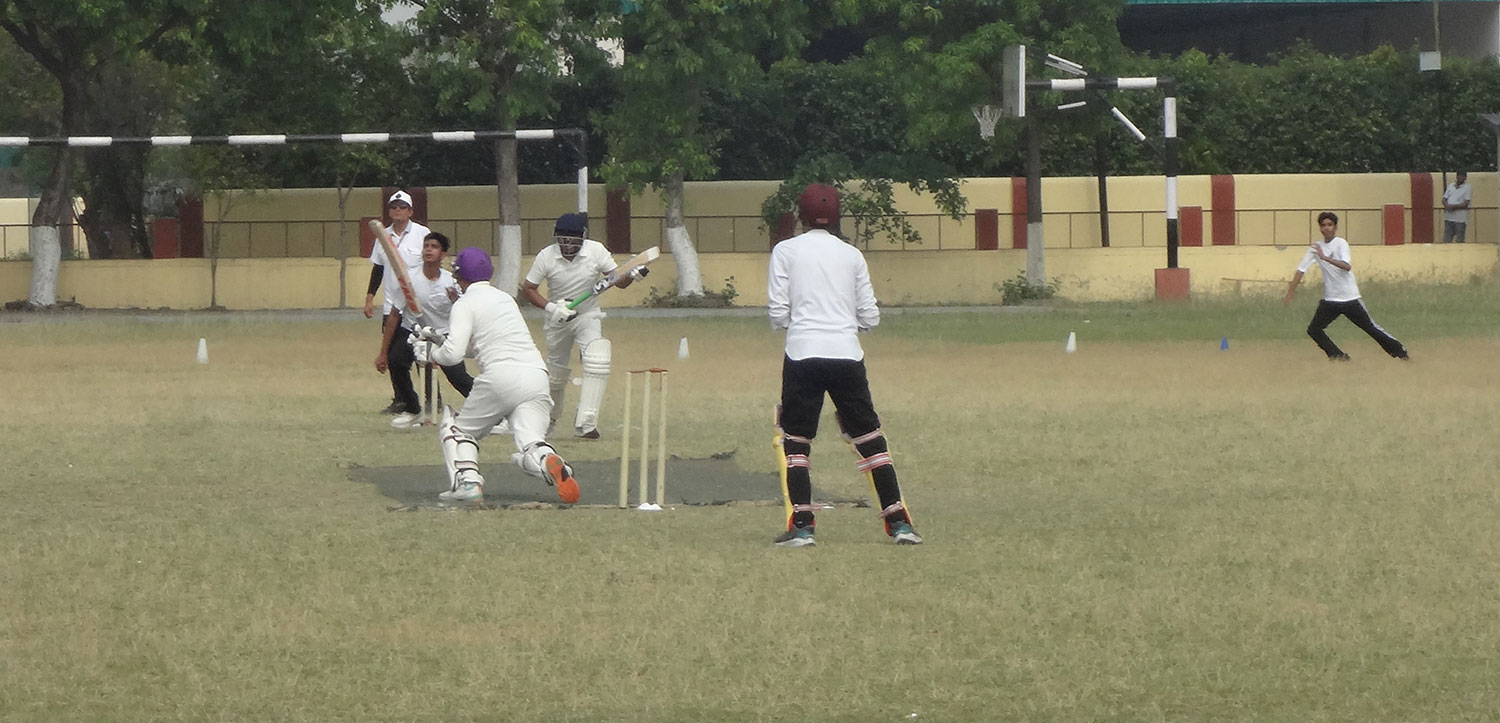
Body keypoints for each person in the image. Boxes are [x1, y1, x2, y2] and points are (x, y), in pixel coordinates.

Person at [766, 183, 922, 547]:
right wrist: (845, 325)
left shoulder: (785, 250)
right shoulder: (851, 255)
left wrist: (804, 324)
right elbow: (869, 315)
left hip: (803, 353)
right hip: (847, 354)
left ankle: (802, 526)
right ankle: (899, 524)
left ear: (800, 216)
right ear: (838, 216)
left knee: (797, 441)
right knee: (870, 439)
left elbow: (777, 312)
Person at [417, 247, 581, 504]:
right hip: (536, 376)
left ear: (459, 277)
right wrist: (441, 341)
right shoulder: (505, 299)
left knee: (458, 430)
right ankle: (548, 460)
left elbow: (452, 356)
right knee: (530, 442)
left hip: (501, 377)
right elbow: (482, 345)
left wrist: (431, 353)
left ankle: (468, 483)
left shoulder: (465, 303)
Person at [519, 212, 645, 439]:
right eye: (563, 238)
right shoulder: (546, 256)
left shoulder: (595, 250)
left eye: (572, 238)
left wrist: (632, 274)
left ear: (583, 237)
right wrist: (552, 308)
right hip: (558, 317)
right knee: (556, 372)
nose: (567, 243)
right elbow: (528, 288)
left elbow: (617, 281)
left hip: (587, 314)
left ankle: (587, 422)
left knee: (597, 359)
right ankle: (548, 420)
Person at [376, 231, 476, 429]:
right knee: (397, 361)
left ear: (443, 254)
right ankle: (412, 409)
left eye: (434, 247)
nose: (429, 250)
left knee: (458, 377)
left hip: (442, 334)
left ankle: (491, 409)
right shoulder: (408, 279)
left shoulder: (452, 282)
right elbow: (395, 314)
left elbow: (466, 312)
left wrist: (456, 301)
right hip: (414, 331)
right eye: (426, 246)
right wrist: (383, 352)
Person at [1283, 211, 1409, 362]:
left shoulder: (1341, 243)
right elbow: (1301, 270)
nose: (1326, 228)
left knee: (1370, 328)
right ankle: (1338, 356)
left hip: (1350, 297)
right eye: (1323, 225)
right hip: (1331, 300)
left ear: (1335, 227)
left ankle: (1400, 352)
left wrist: (1325, 258)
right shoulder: (1316, 247)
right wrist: (1291, 290)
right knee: (1314, 330)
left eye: (1330, 225)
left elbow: (1346, 266)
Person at [365, 190, 431, 414]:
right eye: (394, 207)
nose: (397, 210)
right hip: (391, 304)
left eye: (402, 207)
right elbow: (378, 267)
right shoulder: (383, 235)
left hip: (417, 304)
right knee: (393, 354)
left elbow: (431, 264)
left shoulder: (422, 234)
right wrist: (370, 296)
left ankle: (432, 397)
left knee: (424, 351)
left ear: (410, 211)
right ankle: (401, 398)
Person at [1442, 171, 1471, 244]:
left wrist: (1453, 206)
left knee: (1459, 240)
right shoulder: (1451, 185)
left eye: (1462, 176)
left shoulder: (1467, 187)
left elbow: (1466, 203)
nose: (1460, 178)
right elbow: (1444, 199)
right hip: (1449, 217)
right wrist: (1447, 205)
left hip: (1460, 218)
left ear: (1465, 178)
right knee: (1446, 239)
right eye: (1459, 176)